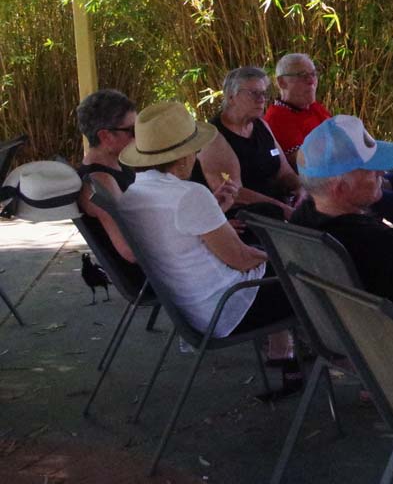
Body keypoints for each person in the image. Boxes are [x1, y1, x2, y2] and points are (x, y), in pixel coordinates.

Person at [119, 101, 295, 372]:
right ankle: (334, 359)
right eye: (196, 150)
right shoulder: (190, 194)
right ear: (183, 157)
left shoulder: (133, 195)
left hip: (191, 308)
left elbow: (179, 232)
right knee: (313, 280)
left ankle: (284, 355)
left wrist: (214, 209)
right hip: (225, 308)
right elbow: (242, 260)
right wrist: (281, 256)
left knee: (268, 254)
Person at [289, 115, 393, 331]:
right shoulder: (377, 244)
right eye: (370, 168)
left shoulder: (301, 221)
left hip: (352, 332)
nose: (382, 173)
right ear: (341, 188)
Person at [263, 52, 393, 214]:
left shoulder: (314, 108)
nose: (311, 81)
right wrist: (367, 176)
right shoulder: (278, 118)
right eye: (302, 75)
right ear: (282, 82)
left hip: (358, 176)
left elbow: (347, 142)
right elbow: (307, 163)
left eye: (313, 74)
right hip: (337, 189)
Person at [198, 66, 302, 219]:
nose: (261, 99)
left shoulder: (261, 125)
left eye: (263, 93)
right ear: (231, 97)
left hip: (278, 208)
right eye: (253, 93)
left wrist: (300, 189)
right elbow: (235, 194)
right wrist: (284, 210)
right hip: (246, 218)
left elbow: (284, 172)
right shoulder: (213, 136)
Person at [75, 90, 140, 280]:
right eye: (132, 131)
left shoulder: (116, 165)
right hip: (149, 277)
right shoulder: (100, 182)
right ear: (105, 136)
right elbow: (130, 250)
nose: (138, 137)